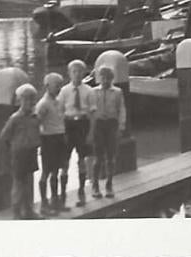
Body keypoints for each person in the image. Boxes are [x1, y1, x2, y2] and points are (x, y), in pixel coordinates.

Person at [0, 83, 42, 220]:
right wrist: (8, 155)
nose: (29, 102)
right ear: (20, 100)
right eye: (26, 99)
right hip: (18, 154)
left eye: (32, 99)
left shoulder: (36, 117)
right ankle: (17, 213)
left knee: (29, 183)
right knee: (18, 184)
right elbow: (4, 137)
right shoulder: (15, 118)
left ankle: (29, 210)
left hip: (31, 152)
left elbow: (38, 133)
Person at [57, 60, 94, 206]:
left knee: (82, 158)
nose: (77, 74)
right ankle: (63, 191)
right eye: (74, 71)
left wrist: (91, 132)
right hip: (68, 124)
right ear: (69, 73)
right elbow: (59, 111)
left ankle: (81, 190)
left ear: (84, 73)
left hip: (83, 124)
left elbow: (92, 112)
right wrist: (61, 130)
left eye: (80, 71)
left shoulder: (89, 90)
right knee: (65, 160)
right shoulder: (64, 91)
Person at [91, 65, 126, 199]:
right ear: (99, 78)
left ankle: (109, 184)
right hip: (98, 125)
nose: (105, 81)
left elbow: (122, 109)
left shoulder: (117, 92)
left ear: (112, 79)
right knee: (98, 157)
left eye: (108, 78)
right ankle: (95, 185)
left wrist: (121, 126)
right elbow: (90, 110)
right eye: (102, 78)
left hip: (112, 124)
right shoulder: (93, 92)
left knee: (111, 157)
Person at [35, 72, 67, 214]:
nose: (59, 88)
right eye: (56, 85)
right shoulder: (43, 104)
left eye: (60, 85)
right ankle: (44, 204)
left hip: (59, 138)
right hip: (48, 140)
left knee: (56, 171)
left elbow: (61, 120)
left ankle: (56, 201)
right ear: (47, 86)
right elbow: (37, 124)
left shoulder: (59, 101)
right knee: (46, 172)